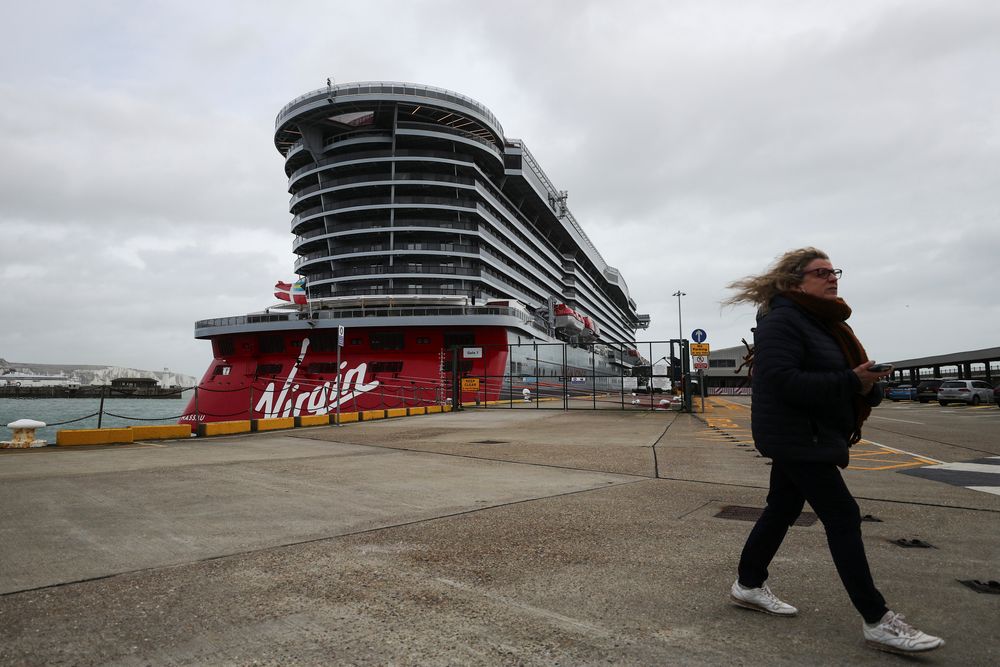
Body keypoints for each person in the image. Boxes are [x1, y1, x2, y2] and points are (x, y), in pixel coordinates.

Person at [722, 247, 944, 655]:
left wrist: (867, 384)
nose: (832, 277)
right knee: (842, 515)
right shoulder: (782, 321)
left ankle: (748, 584)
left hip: (813, 433)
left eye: (834, 270)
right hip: (797, 435)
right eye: (821, 272)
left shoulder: (823, 323)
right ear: (794, 282)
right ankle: (877, 620)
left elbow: (836, 377)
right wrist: (849, 382)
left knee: (782, 509)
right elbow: (783, 381)